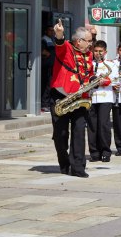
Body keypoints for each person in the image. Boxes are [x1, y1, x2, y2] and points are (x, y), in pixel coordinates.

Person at [49, 20, 94, 178]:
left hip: (80, 97)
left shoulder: (89, 55)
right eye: (89, 41)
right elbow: (59, 43)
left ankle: (78, 167)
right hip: (61, 96)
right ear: (79, 41)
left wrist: (95, 81)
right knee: (60, 134)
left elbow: (88, 73)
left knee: (79, 131)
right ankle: (64, 162)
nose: (91, 44)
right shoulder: (67, 47)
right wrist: (59, 33)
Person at [88, 40, 117, 163]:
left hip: (105, 97)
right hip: (91, 97)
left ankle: (105, 151)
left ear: (105, 52)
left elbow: (115, 80)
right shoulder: (89, 64)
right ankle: (94, 152)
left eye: (100, 51)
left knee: (103, 125)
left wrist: (104, 81)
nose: (98, 53)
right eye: (96, 51)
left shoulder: (111, 64)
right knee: (92, 125)